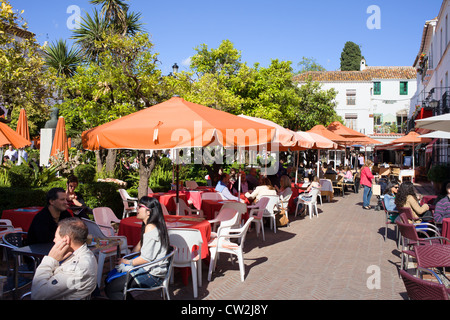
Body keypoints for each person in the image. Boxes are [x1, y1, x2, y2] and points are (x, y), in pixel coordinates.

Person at [105, 197, 170, 300]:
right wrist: (131, 254)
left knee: (111, 288)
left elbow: (146, 259)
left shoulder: (150, 227)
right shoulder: (153, 225)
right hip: (151, 270)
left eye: (140, 207)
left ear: (148, 212)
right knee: (110, 281)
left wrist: (126, 261)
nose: (137, 209)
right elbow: (139, 247)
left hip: (152, 275)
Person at [31, 218, 98, 300]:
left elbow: (37, 294)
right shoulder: (87, 253)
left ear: (66, 239)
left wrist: (50, 260)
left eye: (56, 237)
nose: (54, 240)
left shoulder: (76, 269)